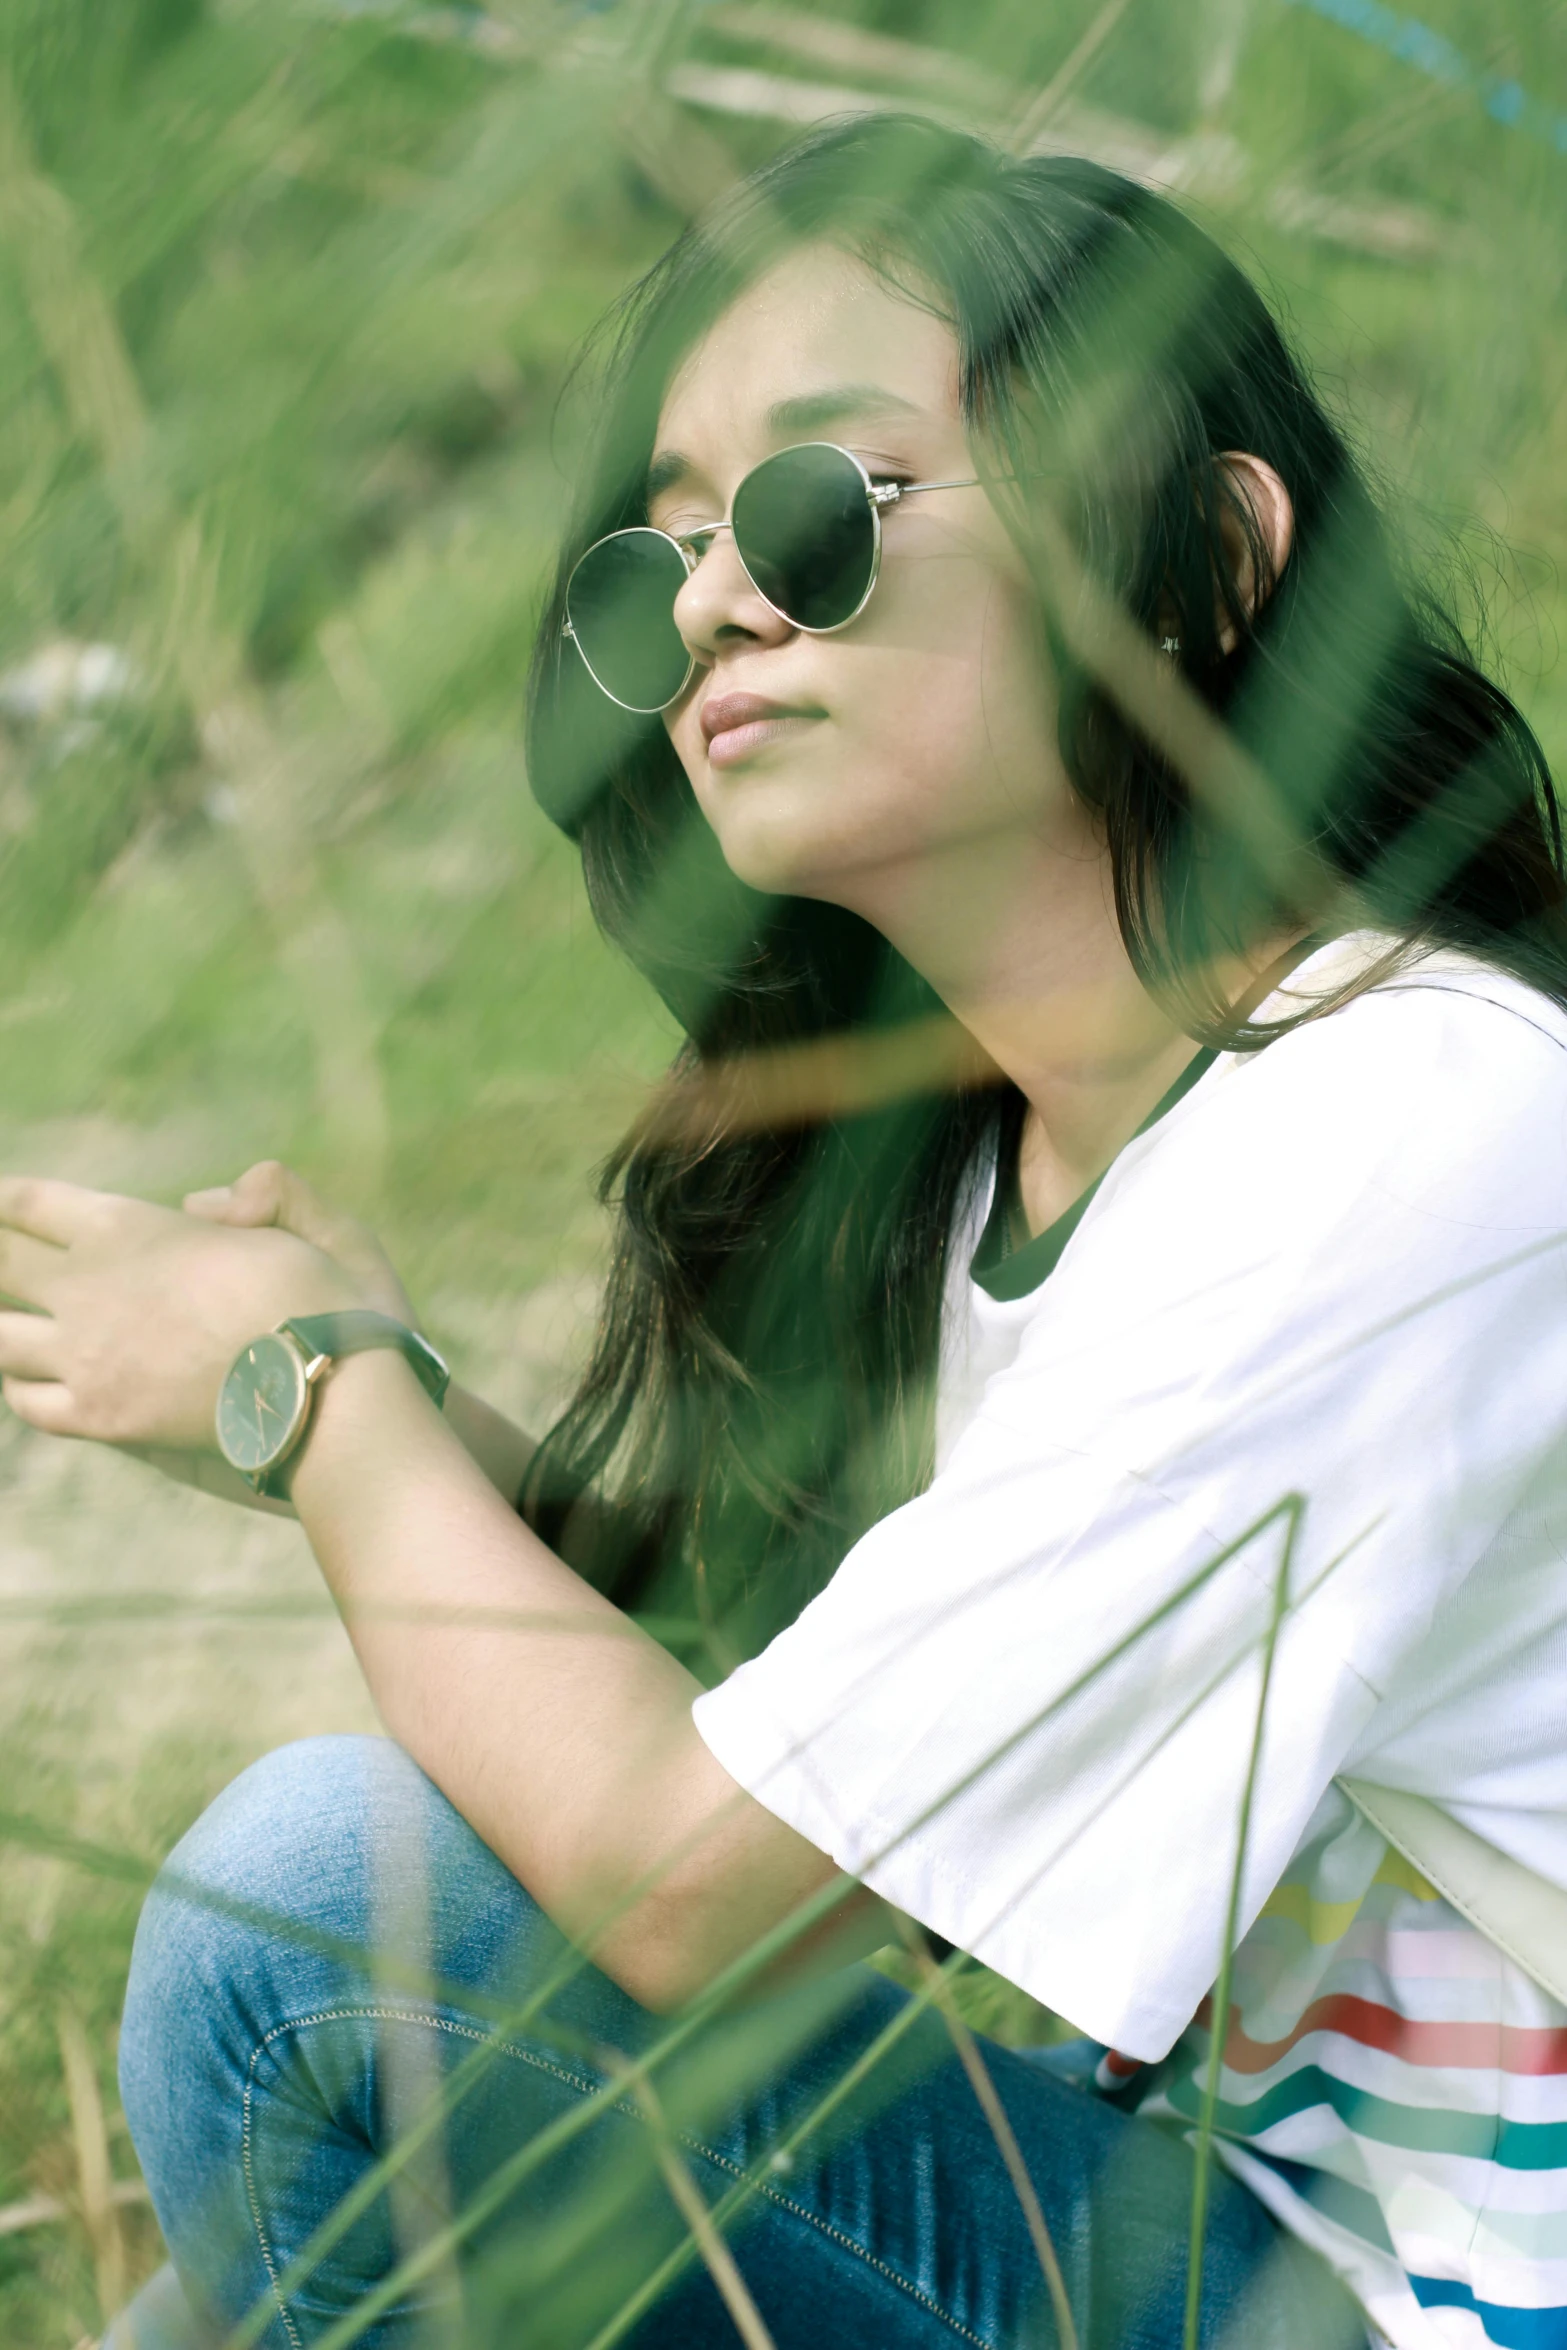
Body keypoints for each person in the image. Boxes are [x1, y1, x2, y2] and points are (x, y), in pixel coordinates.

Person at [13, 115, 1567, 2350]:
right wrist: (387, 1393)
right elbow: (848, 1778)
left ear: (1207, 559)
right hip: (1233, 2223)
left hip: (1414, 2299)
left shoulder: (1407, 1130)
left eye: (825, 512)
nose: (723, 601)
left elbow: (690, 1880)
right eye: (661, 566)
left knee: (309, 1926)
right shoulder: (1015, 1164)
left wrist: (322, 1409)